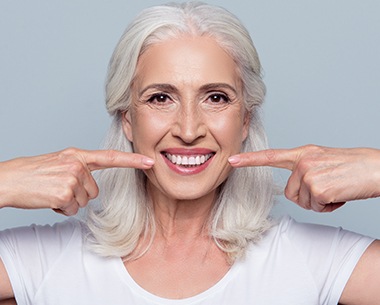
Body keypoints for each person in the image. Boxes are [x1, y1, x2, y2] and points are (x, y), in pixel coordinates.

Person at [0, 2, 380, 304]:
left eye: (216, 98)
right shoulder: (45, 260)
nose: (187, 129)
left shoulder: (310, 260)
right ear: (127, 119)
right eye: (160, 98)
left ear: (244, 121)